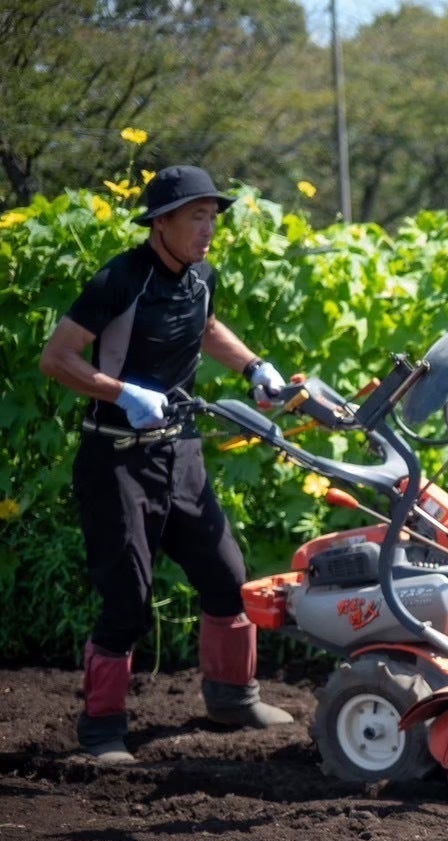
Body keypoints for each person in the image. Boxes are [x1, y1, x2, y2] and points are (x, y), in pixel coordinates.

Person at [39, 165, 294, 764]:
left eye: (212, 217)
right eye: (195, 217)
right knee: (128, 595)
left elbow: (206, 327)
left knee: (227, 576)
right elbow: (57, 358)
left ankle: (232, 699)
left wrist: (254, 367)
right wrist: (122, 392)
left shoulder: (201, 277)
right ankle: (102, 729)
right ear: (161, 223)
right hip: (116, 458)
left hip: (180, 452)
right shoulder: (120, 279)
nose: (208, 229)